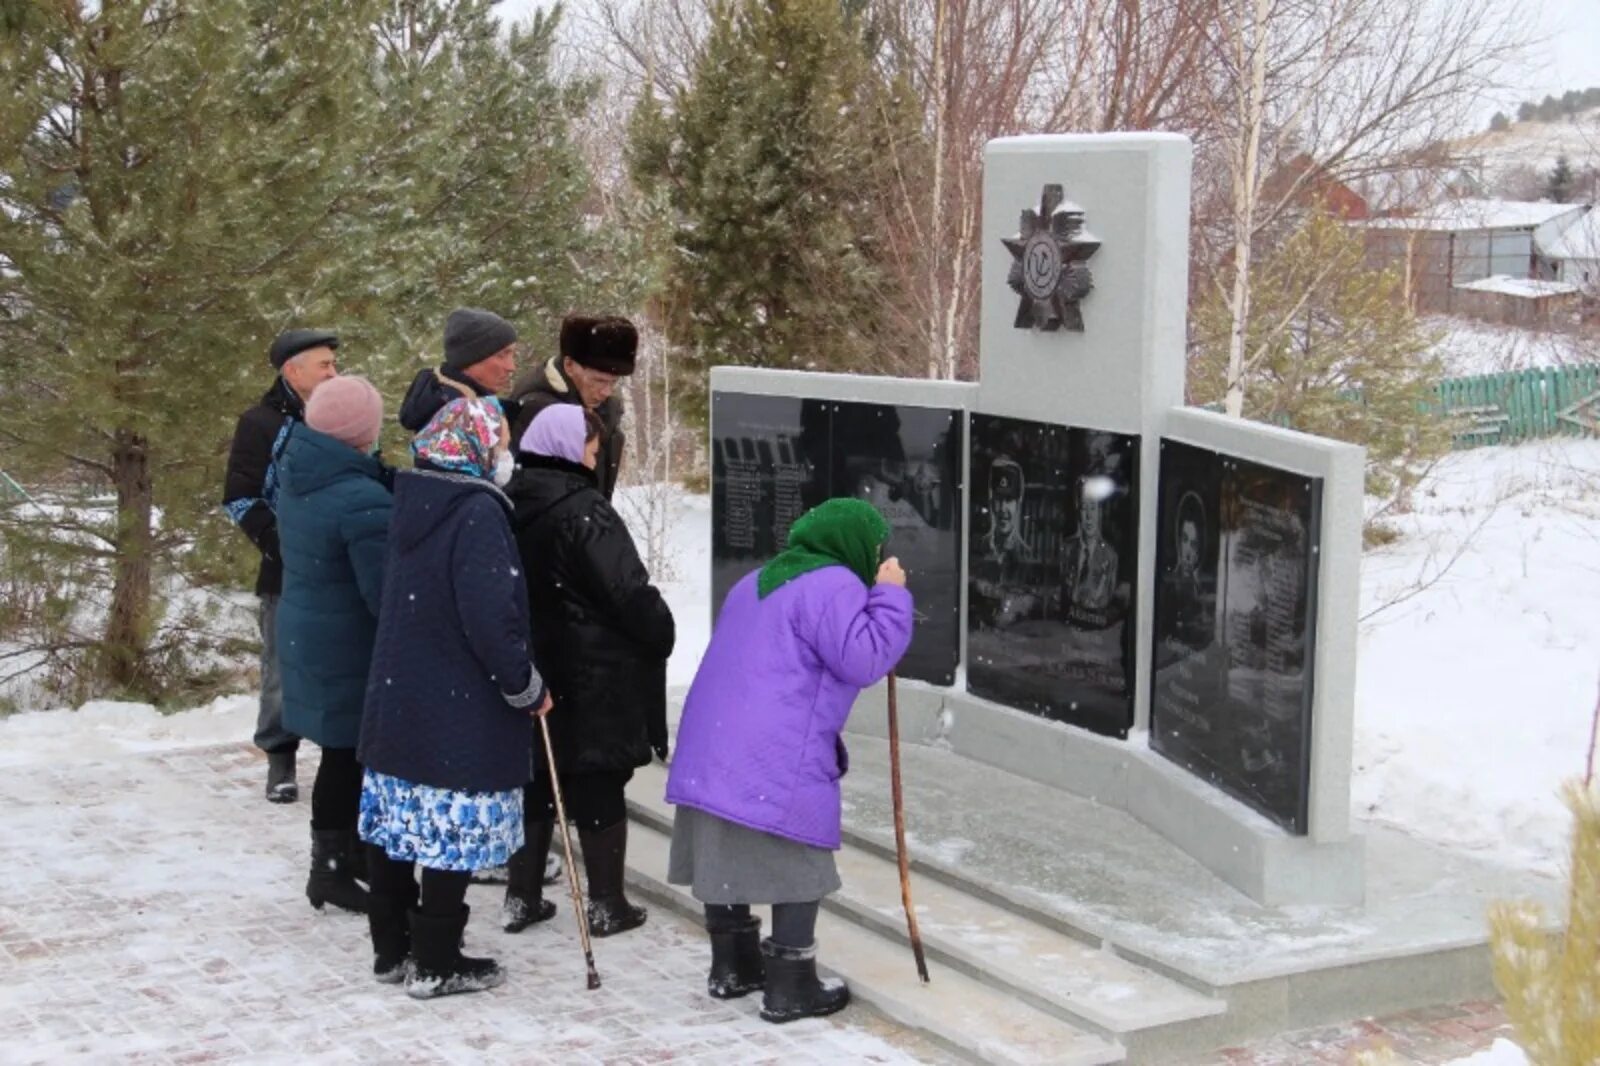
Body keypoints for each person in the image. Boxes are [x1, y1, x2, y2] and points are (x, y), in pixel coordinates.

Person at [665, 498, 913, 1024]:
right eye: (875, 548)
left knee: (725, 848)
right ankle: (791, 987)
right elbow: (863, 657)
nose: (877, 558)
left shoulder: (758, 580)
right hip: (772, 748)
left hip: (714, 740)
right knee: (800, 859)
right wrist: (890, 597)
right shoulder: (833, 584)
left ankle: (733, 967)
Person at [356, 397, 551, 999]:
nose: (504, 457)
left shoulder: (414, 499)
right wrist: (524, 685)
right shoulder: (476, 513)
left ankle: (393, 951)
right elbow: (492, 616)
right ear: (474, 448)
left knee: (397, 828)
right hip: (457, 702)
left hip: (402, 696)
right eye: (498, 446)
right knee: (449, 829)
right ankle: (438, 961)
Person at [503, 406, 675, 937]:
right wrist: (659, 627)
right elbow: (625, 591)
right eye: (593, 449)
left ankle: (522, 895)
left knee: (537, 777)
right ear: (568, 448)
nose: (596, 459)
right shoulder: (584, 511)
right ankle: (606, 903)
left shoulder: (507, 501)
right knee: (597, 779)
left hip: (533, 664)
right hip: (591, 669)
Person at [275, 376, 393, 915]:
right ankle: (331, 868)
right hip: (349, 642)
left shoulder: (300, 475)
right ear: (362, 432)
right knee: (350, 757)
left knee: (343, 755)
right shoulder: (360, 499)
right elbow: (383, 592)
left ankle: (346, 857)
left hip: (313, 630)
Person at [222, 328, 340, 803]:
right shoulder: (261, 423)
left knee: (341, 666)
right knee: (281, 668)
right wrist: (286, 544)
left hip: (341, 565)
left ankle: (342, 758)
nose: (335, 372)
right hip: (286, 570)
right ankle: (280, 759)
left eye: (335, 364)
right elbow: (239, 498)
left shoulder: (341, 417)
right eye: (325, 365)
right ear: (293, 371)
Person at [509, 313, 635, 500]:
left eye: (613, 382)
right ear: (569, 365)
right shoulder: (538, 412)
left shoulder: (602, 407)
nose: (606, 392)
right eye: (599, 380)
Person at [397, 307, 521, 435]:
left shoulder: (443, 402)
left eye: (512, 355)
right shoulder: (458, 420)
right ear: (471, 358)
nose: (511, 367)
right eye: (501, 355)